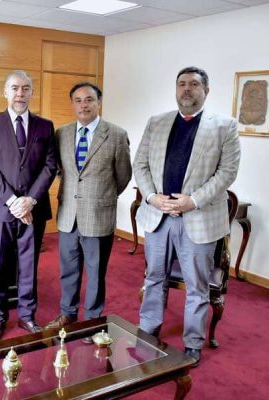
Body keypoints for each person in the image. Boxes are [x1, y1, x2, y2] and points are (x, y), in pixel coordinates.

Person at [133, 66, 241, 367]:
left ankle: (192, 343)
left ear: (206, 90)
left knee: (197, 286)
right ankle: (148, 330)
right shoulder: (157, 122)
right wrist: (152, 197)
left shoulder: (225, 126)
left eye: (194, 84)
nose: (187, 89)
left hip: (198, 219)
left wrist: (192, 201)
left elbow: (227, 173)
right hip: (159, 216)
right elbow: (140, 164)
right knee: (154, 278)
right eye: (181, 84)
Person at [45, 82, 132, 332]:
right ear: (72, 104)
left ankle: (93, 320)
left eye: (89, 99)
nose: (84, 105)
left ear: (99, 102)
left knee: (95, 272)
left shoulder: (116, 134)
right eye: (78, 100)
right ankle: (68, 313)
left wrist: (101, 196)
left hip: (98, 215)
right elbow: (61, 170)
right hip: (68, 215)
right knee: (68, 269)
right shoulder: (61, 134)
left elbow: (123, 176)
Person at [0, 70, 57, 342]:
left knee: (29, 264)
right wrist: (13, 201)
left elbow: (49, 166)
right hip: (1, 209)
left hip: (33, 209)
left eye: (25, 89)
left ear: (32, 93)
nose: (20, 94)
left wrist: (30, 200)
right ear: (5, 92)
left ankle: (27, 315)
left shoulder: (45, 126)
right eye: (14, 88)